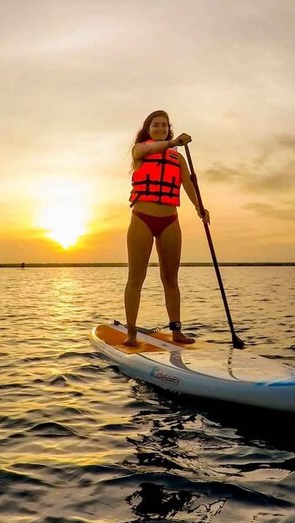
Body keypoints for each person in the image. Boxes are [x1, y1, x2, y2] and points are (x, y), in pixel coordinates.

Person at [124, 110, 210, 346]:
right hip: (142, 218)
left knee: (171, 278)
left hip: (170, 220)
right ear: (148, 129)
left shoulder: (177, 159)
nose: (160, 128)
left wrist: (200, 207)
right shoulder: (139, 150)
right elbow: (150, 150)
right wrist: (172, 142)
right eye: (155, 125)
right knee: (136, 277)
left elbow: (188, 185)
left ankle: (176, 331)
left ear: (168, 127)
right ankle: (131, 333)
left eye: (164, 125)